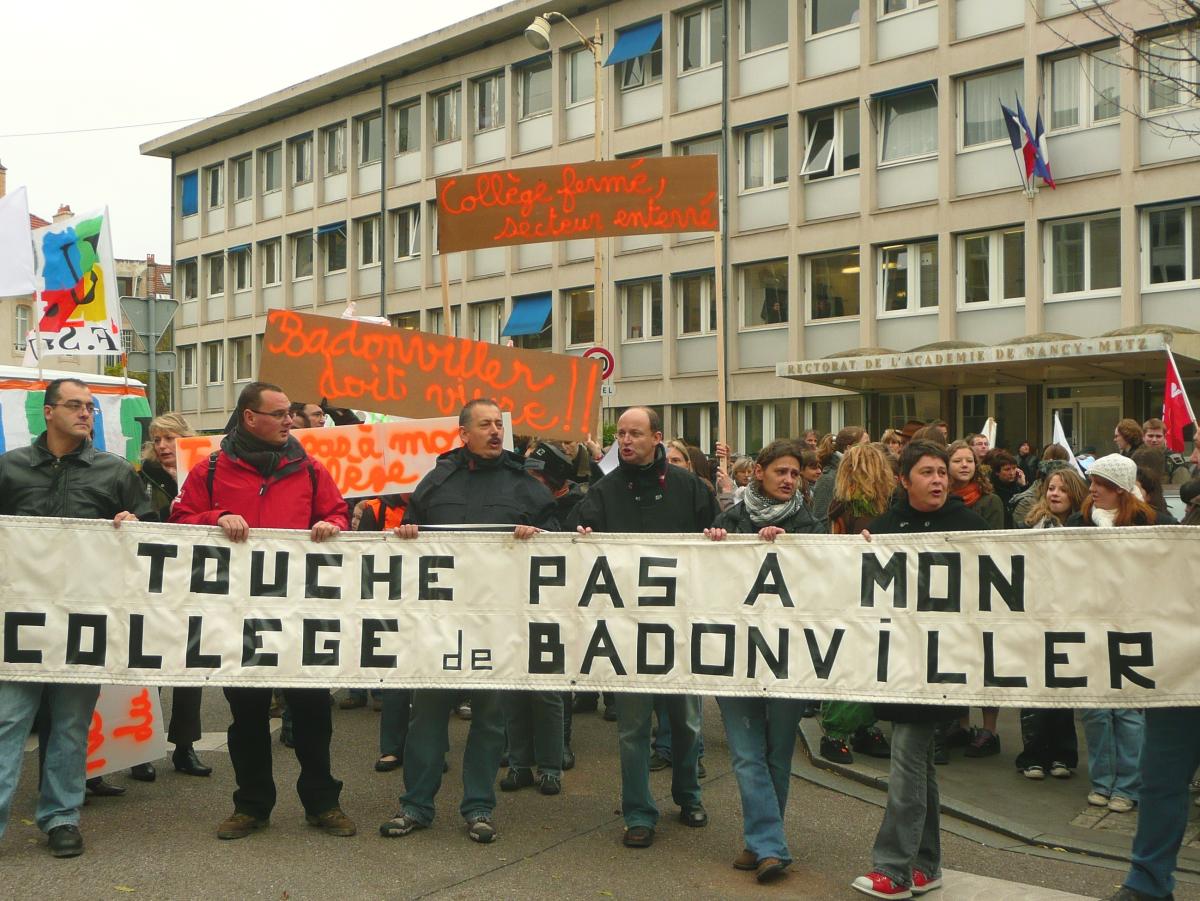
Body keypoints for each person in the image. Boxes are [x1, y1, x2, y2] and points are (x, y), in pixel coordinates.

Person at [171, 381, 355, 841]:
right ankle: (251, 806)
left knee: (312, 714)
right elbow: (179, 523)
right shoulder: (210, 470)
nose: (290, 420)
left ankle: (323, 802)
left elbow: (338, 514)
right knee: (248, 716)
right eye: (279, 413)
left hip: (300, 614)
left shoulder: (310, 469)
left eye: (290, 412)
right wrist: (215, 518)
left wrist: (329, 525)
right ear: (250, 418)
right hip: (238, 616)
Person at [379, 398, 559, 845]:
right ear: (463, 434)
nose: (495, 431)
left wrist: (538, 537)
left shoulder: (525, 486)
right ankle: (415, 805)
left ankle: (479, 807)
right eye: (485, 425)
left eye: (499, 424)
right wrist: (407, 533)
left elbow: (558, 545)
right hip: (439, 624)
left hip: (496, 625)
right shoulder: (436, 481)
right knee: (427, 718)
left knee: (489, 720)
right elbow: (411, 536)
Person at [0, 378, 151, 858]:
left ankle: (62, 817)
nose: (86, 413)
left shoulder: (114, 471)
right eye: (74, 405)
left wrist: (135, 524)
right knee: (7, 721)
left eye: (90, 407)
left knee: (70, 724)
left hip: (84, 622)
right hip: (21, 620)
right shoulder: (9, 469)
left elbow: (152, 533)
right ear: (48, 412)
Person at [570, 406, 718, 850]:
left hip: (680, 627)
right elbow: (575, 540)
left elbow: (720, 539)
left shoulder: (690, 488)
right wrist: (580, 534)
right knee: (632, 728)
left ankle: (688, 795)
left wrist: (717, 537)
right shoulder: (604, 490)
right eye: (621, 434)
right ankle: (638, 812)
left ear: (657, 437)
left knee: (686, 723)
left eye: (635, 433)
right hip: (627, 630)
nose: (626, 441)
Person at [851, 440, 987, 900]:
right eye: (927, 472)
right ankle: (926, 864)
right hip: (900, 661)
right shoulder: (882, 529)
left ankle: (894, 868)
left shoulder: (970, 526)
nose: (938, 480)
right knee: (919, 765)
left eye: (942, 472)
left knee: (907, 756)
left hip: (944, 662)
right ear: (904, 480)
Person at [704, 440, 824, 883]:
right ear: (759, 472)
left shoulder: (811, 527)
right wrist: (715, 547)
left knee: (776, 754)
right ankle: (771, 846)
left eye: (794, 473)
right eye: (781, 472)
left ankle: (760, 842)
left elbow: (826, 582)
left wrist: (795, 549)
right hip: (735, 655)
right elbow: (708, 583)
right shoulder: (728, 521)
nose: (789, 480)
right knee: (746, 753)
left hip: (788, 656)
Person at [1066, 454, 1154, 816]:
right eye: (1092, 482)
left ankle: (1128, 785)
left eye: (1100, 484)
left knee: (1128, 709)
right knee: (1095, 710)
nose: (1092, 489)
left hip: (1132, 625)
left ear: (1120, 489)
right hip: (1089, 623)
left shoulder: (1148, 523)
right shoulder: (1079, 522)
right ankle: (1102, 782)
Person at [138, 412, 212, 778]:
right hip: (151, 581)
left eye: (170, 438)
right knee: (147, 663)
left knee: (189, 665)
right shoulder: (141, 478)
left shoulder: (205, 475)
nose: (163, 446)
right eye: (157, 439)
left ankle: (185, 746)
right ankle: (139, 749)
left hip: (194, 579)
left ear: (187, 439)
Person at [819, 443, 894, 765]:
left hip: (872, 592)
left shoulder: (851, 506)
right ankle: (836, 732)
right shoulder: (849, 508)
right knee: (851, 661)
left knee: (868, 660)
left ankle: (863, 725)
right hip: (853, 593)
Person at [1013, 468, 1088, 781]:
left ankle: (1062, 755)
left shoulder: (1085, 528)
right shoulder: (1030, 526)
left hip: (1069, 615)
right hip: (1035, 614)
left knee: (1063, 687)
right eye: (1051, 488)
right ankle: (1033, 755)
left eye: (1062, 489)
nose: (1055, 494)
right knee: (1035, 687)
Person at [355, 494, 412, 774]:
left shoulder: (439, 500)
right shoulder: (375, 510)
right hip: (389, 600)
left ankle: (429, 748)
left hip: (431, 601)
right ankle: (392, 747)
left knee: (429, 683)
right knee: (394, 678)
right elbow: (362, 554)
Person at [988, 450, 1026, 528]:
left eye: (1014, 468)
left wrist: (1023, 486)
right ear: (997, 472)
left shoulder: (1017, 487)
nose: (1012, 473)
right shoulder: (991, 490)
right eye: (1007, 469)